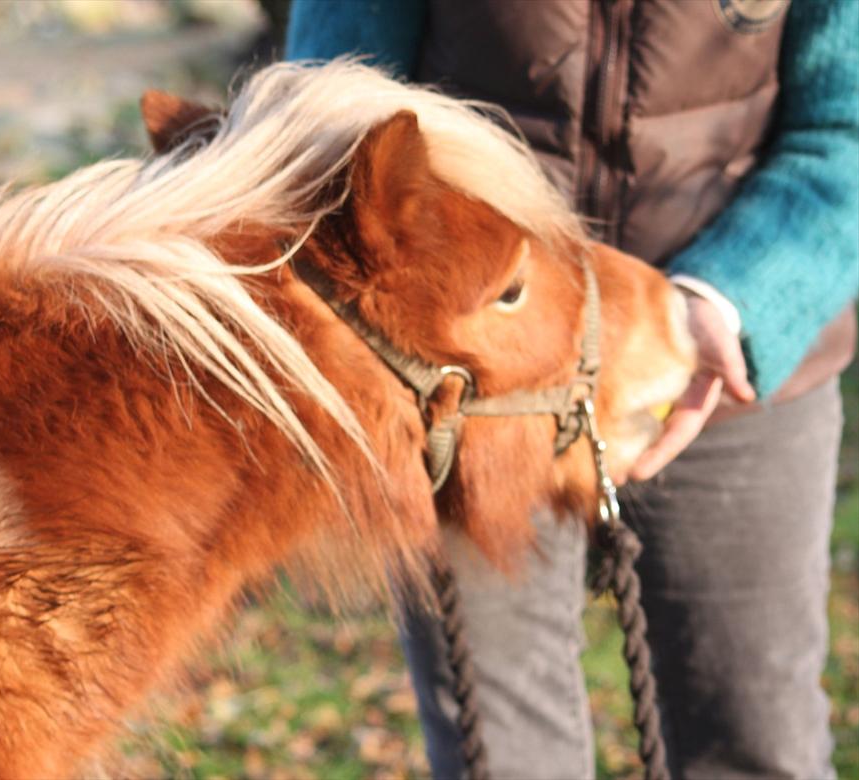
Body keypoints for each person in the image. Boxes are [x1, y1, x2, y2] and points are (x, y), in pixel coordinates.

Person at [285, 1, 858, 778]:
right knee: (500, 753)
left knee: (756, 742)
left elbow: (845, 133)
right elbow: (329, 108)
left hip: (718, 371)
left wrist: (738, 298)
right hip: (479, 383)